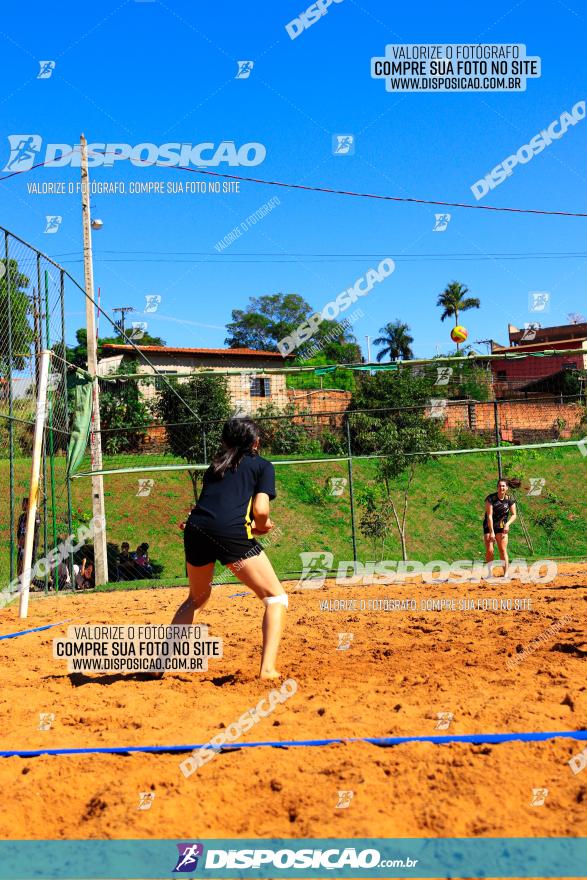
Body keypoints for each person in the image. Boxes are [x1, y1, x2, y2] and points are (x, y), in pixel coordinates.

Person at [172, 417, 287, 680]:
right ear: (256, 442)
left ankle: (160, 663)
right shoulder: (262, 466)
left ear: (225, 441)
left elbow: (214, 506)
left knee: (196, 598)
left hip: (196, 529)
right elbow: (260, 509)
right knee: (276, 598)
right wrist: (262, 525)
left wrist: (257, 524)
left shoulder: (215, 467)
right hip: (229, 532)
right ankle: (267, 670)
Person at [483, 478, 517, 578]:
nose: (501, 487)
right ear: (497, 487)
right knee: (490, 550)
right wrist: (492, 532)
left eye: (503, 486)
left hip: (502, 527)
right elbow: (489, 516)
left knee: (502, 550)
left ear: (506, 488)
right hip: (489, 526)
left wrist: (507, 524)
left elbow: (514, 514)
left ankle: (506, 573)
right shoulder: (491, 498)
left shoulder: (509, 499)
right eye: (499, 486)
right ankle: (489, 573)